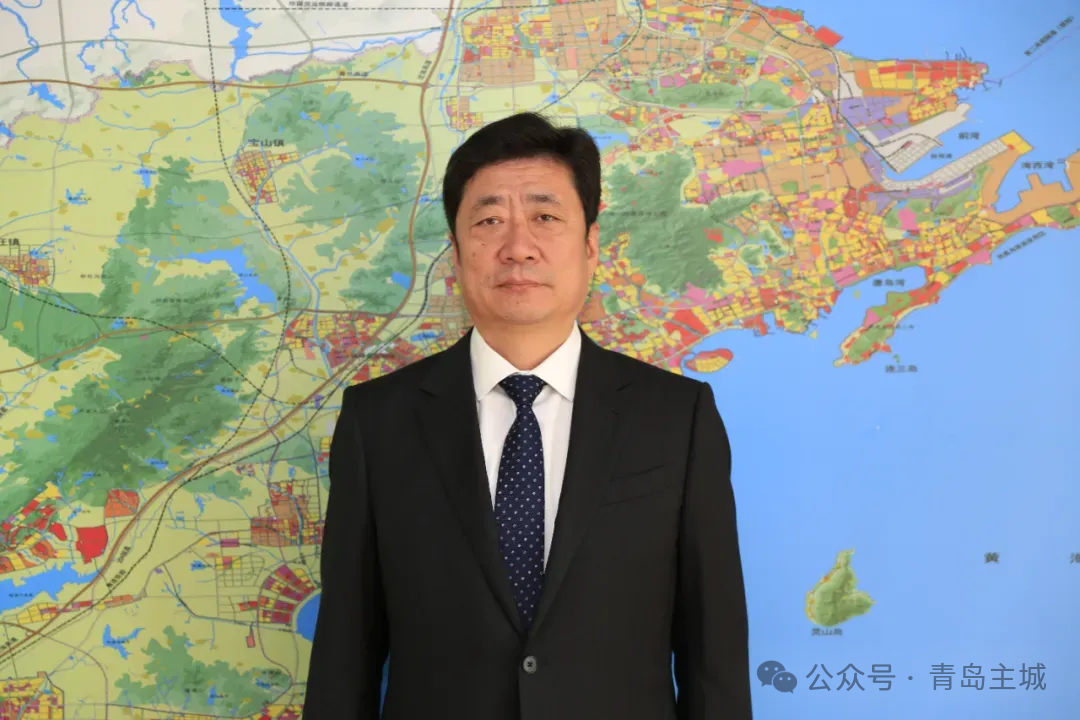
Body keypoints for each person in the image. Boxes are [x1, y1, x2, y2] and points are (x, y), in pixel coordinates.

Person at [302, 111, 751, 720]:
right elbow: (344, 657)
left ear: (590, 245)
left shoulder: (677, 417)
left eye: (545, 217)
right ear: (456, 254)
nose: (518, 247)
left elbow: (713, 655)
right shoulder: (377, 421)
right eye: (489, 221)